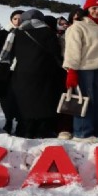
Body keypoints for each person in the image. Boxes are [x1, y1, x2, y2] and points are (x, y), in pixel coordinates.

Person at [63, 0, 98, 143]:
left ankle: (95, 132)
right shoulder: (78, 27)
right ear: (87, 10)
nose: (97, 11)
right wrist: (72, 70)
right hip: (83, 68)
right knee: (85, 100)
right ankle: (82, 133)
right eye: (94, 8)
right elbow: (72, 50)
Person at [10, 10, 63, 139]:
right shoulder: (49, 32)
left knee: (25, 102)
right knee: (45, 102)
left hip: (22, 74)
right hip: (45, 73)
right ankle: (43, 130)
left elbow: (9, 54)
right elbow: (56, 53)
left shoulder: (17, 33)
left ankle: (26, 130)